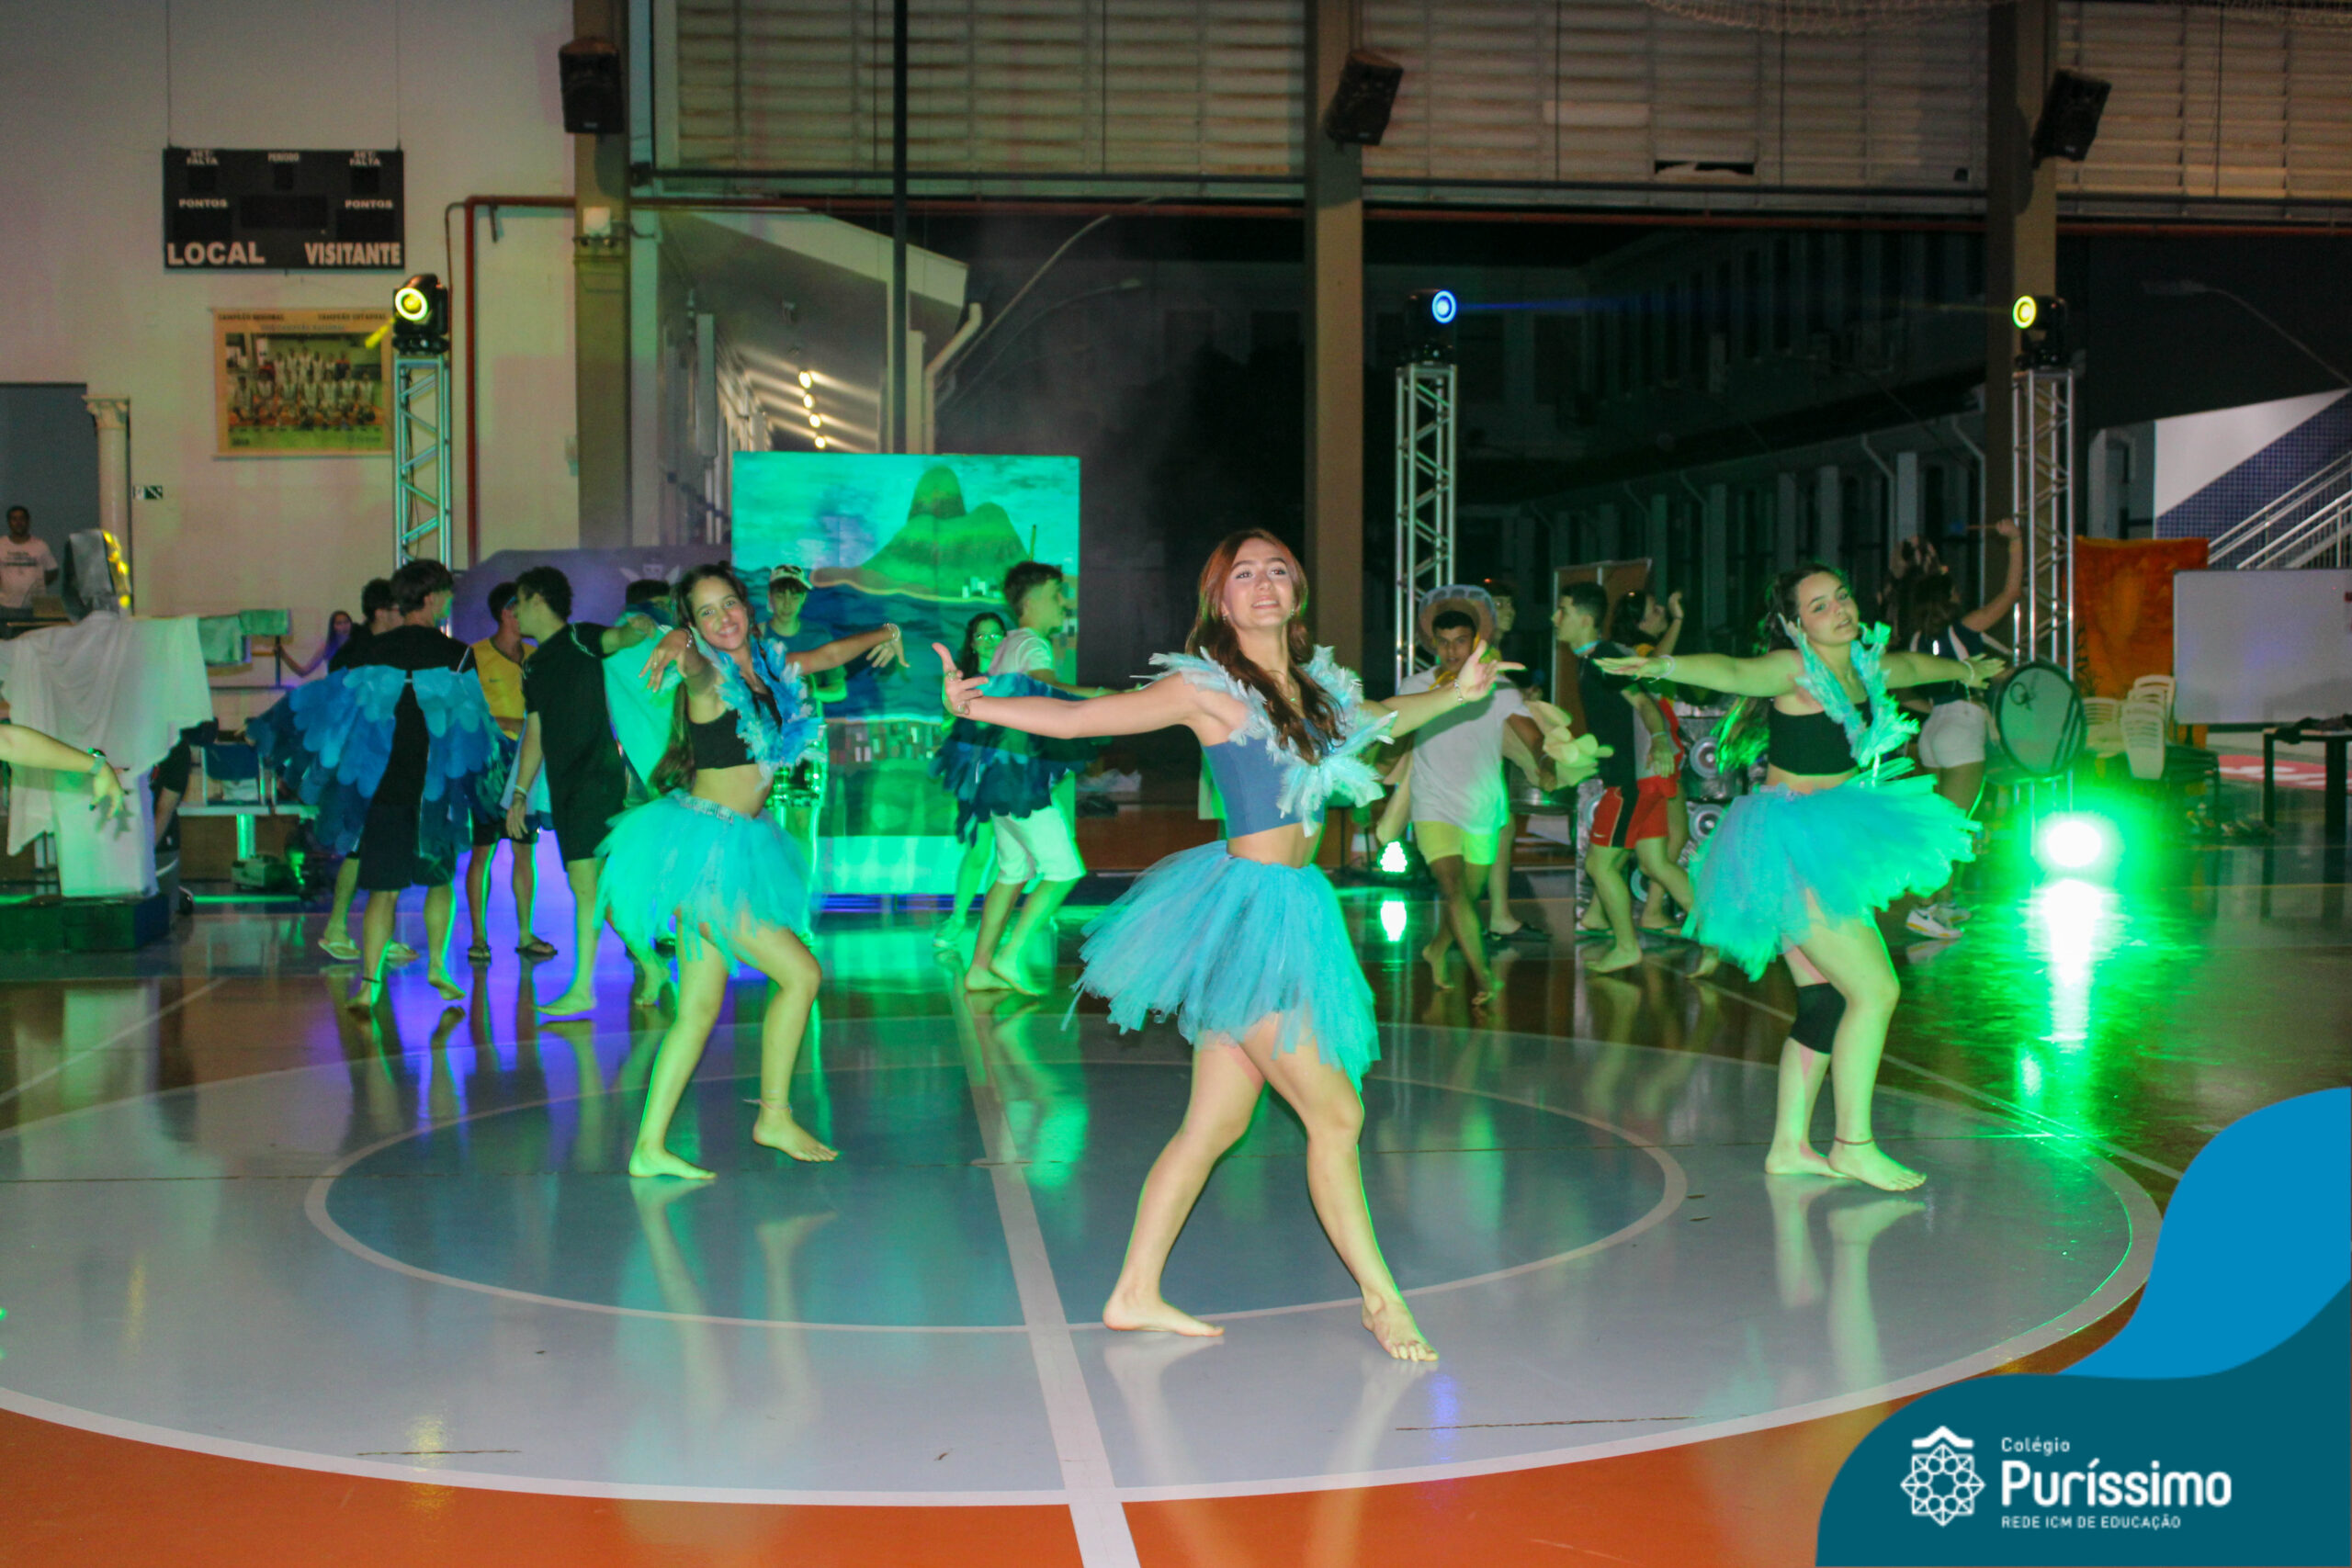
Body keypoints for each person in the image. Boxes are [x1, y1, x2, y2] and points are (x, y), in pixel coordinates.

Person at [934, 529, 1575, 1363]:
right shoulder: (1206, 688)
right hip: (1249, 916)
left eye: (1277, 569)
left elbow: (1381, 716)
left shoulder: (1317, 689)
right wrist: (976, 706)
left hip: (1295, 906)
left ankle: (1134, 1291)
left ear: (1296, 591)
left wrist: (1459, 692)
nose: (1264, 582)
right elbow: (1083, 715)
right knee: (1336, 1114)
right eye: (1245, 574)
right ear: (1222, 600)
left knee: (1213, 1124)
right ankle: (1381, 1300)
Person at [1598, 563, 2001, 1192]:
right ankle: (1853, 1145)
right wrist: (1662, 666)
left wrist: (1967, 672)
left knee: (1824, 1001)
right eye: (1819, 606)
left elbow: (1912, 666)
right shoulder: (1792, 669)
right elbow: (1732, 672)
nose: (1839, 609)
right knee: (1875, 991)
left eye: (1841, 596)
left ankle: (1788, 1146)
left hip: (1831, 837)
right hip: (1790, 847)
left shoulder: (1865, 664)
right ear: (1795, 623)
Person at [613, 564, 905, 1179]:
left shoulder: (772, 670)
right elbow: (691, 663)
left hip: (739, 843)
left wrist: (886, 631)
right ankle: (773, 1115)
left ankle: (648, 1147)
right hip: (707, 855)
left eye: (729, 604)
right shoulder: (708, 679)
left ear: (747, 606)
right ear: (693, 623)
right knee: (801, 974)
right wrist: (677, 641)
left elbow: (827, 655)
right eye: (705, 612)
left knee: (697, 1010)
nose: (722, 618)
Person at [251, 560, 503, 1010]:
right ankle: (438, 967)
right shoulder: (457, 655)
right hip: (433, 793)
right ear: (430, 598)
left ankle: (369, 985)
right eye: (446, 595)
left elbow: (337, 711)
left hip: (383, 788)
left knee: (383, 890)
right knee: (439, 882)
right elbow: (473, 729)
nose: (449, 603)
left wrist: (279, 728)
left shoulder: (372, 653)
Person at [506, 566, 664, 1017]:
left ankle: (583, 988)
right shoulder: (533, 665)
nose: (514, 613)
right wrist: (520, 792)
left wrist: (638, 627)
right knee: (594, 891)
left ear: (538, 600)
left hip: (597, 779)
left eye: (519, 602)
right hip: (565, 786)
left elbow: (618, 639)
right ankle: (652, 964)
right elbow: (535, 733)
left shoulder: (579, 638)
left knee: (584, 885)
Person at [961, 560, 1107, 996]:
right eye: (1056, 593)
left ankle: (979, 968)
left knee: (1012, 871)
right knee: (1064, 870)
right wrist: (1107, 698)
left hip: (996, 774)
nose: (1064, 602)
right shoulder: (1032, 645)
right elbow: (1051, 692)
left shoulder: (1008, 643)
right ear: (1031, 601)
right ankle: (1011, 954)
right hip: (1018, 779)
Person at [1397, 589, 1548, 1006]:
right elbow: (1394, 735)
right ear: (1433, 643)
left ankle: (1437, 949)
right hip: (1432, 804)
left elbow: (1533, 738)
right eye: (1443, 642)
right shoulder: (1415, 687)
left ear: (1475, 642)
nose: (1451, 651)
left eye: (1460, 641)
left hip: (1483, 807)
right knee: (1452, 889)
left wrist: (1548, 763)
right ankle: (1484, 979)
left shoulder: (1499, 687)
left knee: (1467, 893)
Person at [1553, 581, 1704, 975]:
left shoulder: (1604, 657)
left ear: (1585, 619)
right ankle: (1719, 937)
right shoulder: (1590, 659)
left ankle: (1626, 946)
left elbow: (1644, 702)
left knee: (1600, 867)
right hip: (1640, 778)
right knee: (1656, 863)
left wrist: (1659, 740)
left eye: (1562, 610)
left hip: (1630, 782)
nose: (1555, 618)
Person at [1897, 518, 2023, 934]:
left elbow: (1903, 696)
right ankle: (1923, 907)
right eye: (1954, 591)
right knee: (1950, 827)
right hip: (1962, 727)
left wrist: (1936, 707)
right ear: (1948, 599)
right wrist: (2015, 542)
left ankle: (1945, 904)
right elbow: (2010, 594)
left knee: (1946, 821)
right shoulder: (1964, 629)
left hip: (1933, 728)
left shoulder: (1915, 641)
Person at [316, 579, 403, 963]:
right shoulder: (355, 654)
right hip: (360, 762)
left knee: (383, 847)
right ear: (381, 612)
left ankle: (380, 932)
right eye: (399, 610)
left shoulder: (387, 650)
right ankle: (336, 927)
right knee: (358, 845)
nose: (404, 616)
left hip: (382, 758)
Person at [464, 581, 550, 965]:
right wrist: (508, 723)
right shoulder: (475, 655)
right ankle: (478, 936)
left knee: (524, 849)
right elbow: (464, 711)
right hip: (488, 765)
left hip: (527, 763)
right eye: (525, 606)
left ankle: (525, 933)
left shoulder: (536, 656)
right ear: (507, 612)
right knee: (483, 850)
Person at [1611, 586, 1694, 934]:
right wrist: (1677, 620)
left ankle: (1643, 911)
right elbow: (1655, 666)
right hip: (1655, 754)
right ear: (1639, 623)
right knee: (1663, 840)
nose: (1661, 610)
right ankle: (1653, 911)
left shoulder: (1637, 652)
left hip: (1657, 752)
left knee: (1646, 842)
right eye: (1655, 610)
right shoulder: (1640, 654)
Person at [932, 611, 1006, 951]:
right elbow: (950, 717)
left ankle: (993, 923)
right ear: (972, 642)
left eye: (995, 635)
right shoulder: (961, 679)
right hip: (977, 771)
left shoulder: (1019, 677)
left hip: (1013, 771)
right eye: (982, 635)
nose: (989, 641)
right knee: (979, 848)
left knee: (1009, 856)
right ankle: (958, 919)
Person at [762, 566, 843, 865]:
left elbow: (839, 689)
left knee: (802, 822)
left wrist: (813, 689)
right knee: (766, 821)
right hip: (765, 738)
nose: (787, 602)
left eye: (794, 594)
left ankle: (802, 890)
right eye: (781, 594)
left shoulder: (818, 636)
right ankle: (769, 890)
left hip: (807, 740)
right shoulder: (756, 636)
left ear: (803, 599)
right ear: (770, 597)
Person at [1478, 575, 1545, 941]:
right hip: (1474, 753)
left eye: (1510, 604)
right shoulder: (1481, 649)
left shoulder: (1492, 650)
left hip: (1487, 751)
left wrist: (1519, 696)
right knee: (1487, 831)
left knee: (1500, 829)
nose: (1509, 611)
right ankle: (1473, 921)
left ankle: (1497, 916)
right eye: (1499, 604)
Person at [0, 505, 60, 616]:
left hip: (35, 605)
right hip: (6, 605)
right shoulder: (1, 545)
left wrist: (38, 585)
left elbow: (52, 571)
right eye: (14, 519)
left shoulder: (40, 545)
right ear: (9, 522)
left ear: (28, 521)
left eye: (22, 518)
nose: (18, 522)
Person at [282, 610, 356, 677]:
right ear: (333, 626)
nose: (344, 626)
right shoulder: (327, 647)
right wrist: (284, 655)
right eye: (339, 623)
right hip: (336, 685)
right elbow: (303, 672)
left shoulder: (358, 644)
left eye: (346, 622)